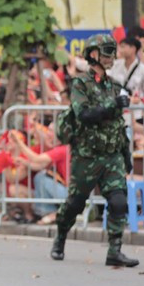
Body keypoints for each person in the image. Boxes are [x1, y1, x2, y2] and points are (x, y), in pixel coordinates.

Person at [51, 33, 139, 267]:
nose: (111, 56)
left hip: (111, 155)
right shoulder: (80, 84)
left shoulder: (115, 86)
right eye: (107, 51)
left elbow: (119, 124)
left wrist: (126, 154)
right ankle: (60, 238)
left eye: (112, 51)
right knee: (75, 205)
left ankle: (115, 251)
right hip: (86, 156)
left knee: (119, 201)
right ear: (93, 55)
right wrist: (113, 105)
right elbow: (85, 115)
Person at [9, 130, 70, 224]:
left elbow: (36, 159)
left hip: (69, 195)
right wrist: (25, 163)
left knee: (40, 177)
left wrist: (19, 142)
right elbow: (39, 165)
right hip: (68, 192)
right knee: (39, 177)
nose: (49, 134)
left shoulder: (62, 149)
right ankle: (46, 212)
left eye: (51, 131)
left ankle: (47, 211)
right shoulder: (61, 149)